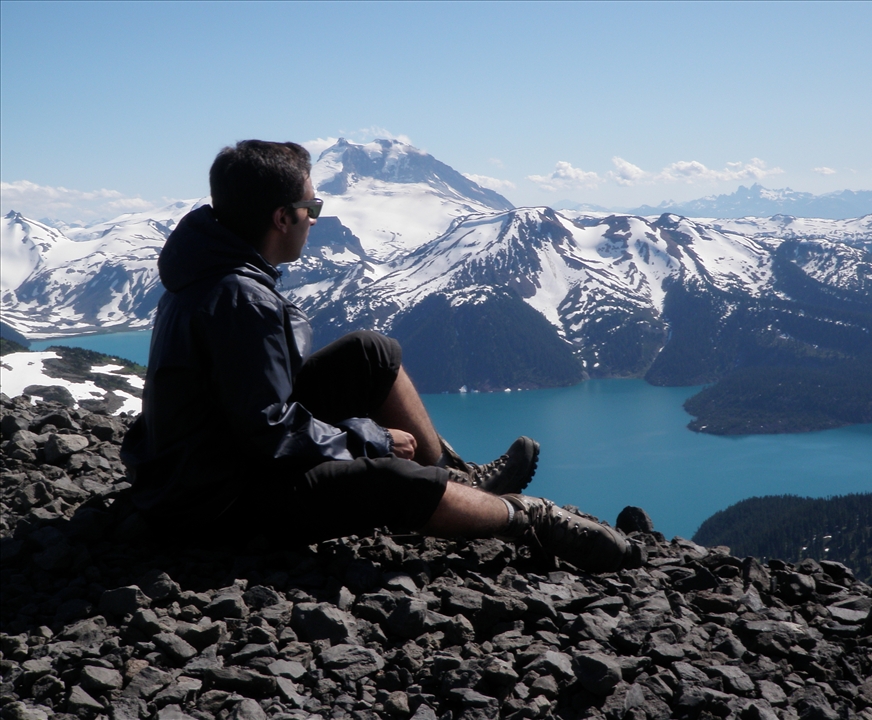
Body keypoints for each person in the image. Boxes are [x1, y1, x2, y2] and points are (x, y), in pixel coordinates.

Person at [120, 140, 630, 573]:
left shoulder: (214, 269)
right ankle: (526, 519)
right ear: (282, 217)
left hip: (208, 463)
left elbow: (253, 412)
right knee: (391, 478)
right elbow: (266, 434)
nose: (314, 221)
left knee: (372, 352)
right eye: (311, 209)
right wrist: (373, 438)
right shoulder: (239, 298)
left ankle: (455, 483)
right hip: (215, 503)